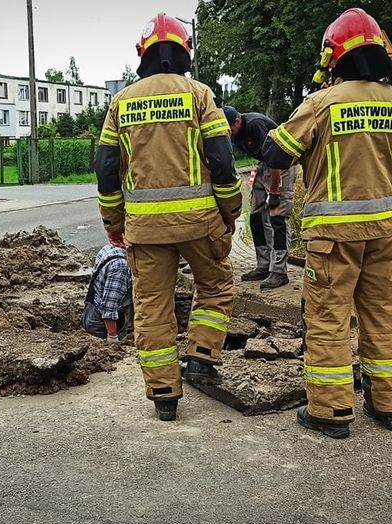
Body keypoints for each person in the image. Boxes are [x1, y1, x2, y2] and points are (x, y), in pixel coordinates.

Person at [263, 8, 392, 439]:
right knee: (381, 314)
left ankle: (331, 411)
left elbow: (275, 152)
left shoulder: (322, 103)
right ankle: (391, 403)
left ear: (333, 56)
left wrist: (309, 113)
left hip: (333, 238)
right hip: (385, 233)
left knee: (329, 318)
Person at [93, 12, 242, 422]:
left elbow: (106, 167)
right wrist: (230, 210)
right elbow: (222, 160)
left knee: (152, 305)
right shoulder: (200, 95)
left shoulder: (121, 101)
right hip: (200, 223)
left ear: (143, 54)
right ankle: (201, 357)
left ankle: (164, 395)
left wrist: (113, 220)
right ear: (184, 52)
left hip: (144, 228)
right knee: (215, 288)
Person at [224, 106, 296, 290]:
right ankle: (263, 265)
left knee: (277, 215)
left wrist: (273, 193)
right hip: (265, 165)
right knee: (255, 215)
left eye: (229, 128)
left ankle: (279, 271)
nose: (228, 133)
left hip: (281, 166)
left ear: (238, 121)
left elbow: (276, 157)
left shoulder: (255, 125)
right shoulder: (235, 133)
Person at [82, 244, 133, 342]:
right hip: (101, 325)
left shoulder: (109, 248)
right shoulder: (121, 266)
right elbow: (109, 308)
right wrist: (112, 337)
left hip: (90, 314)